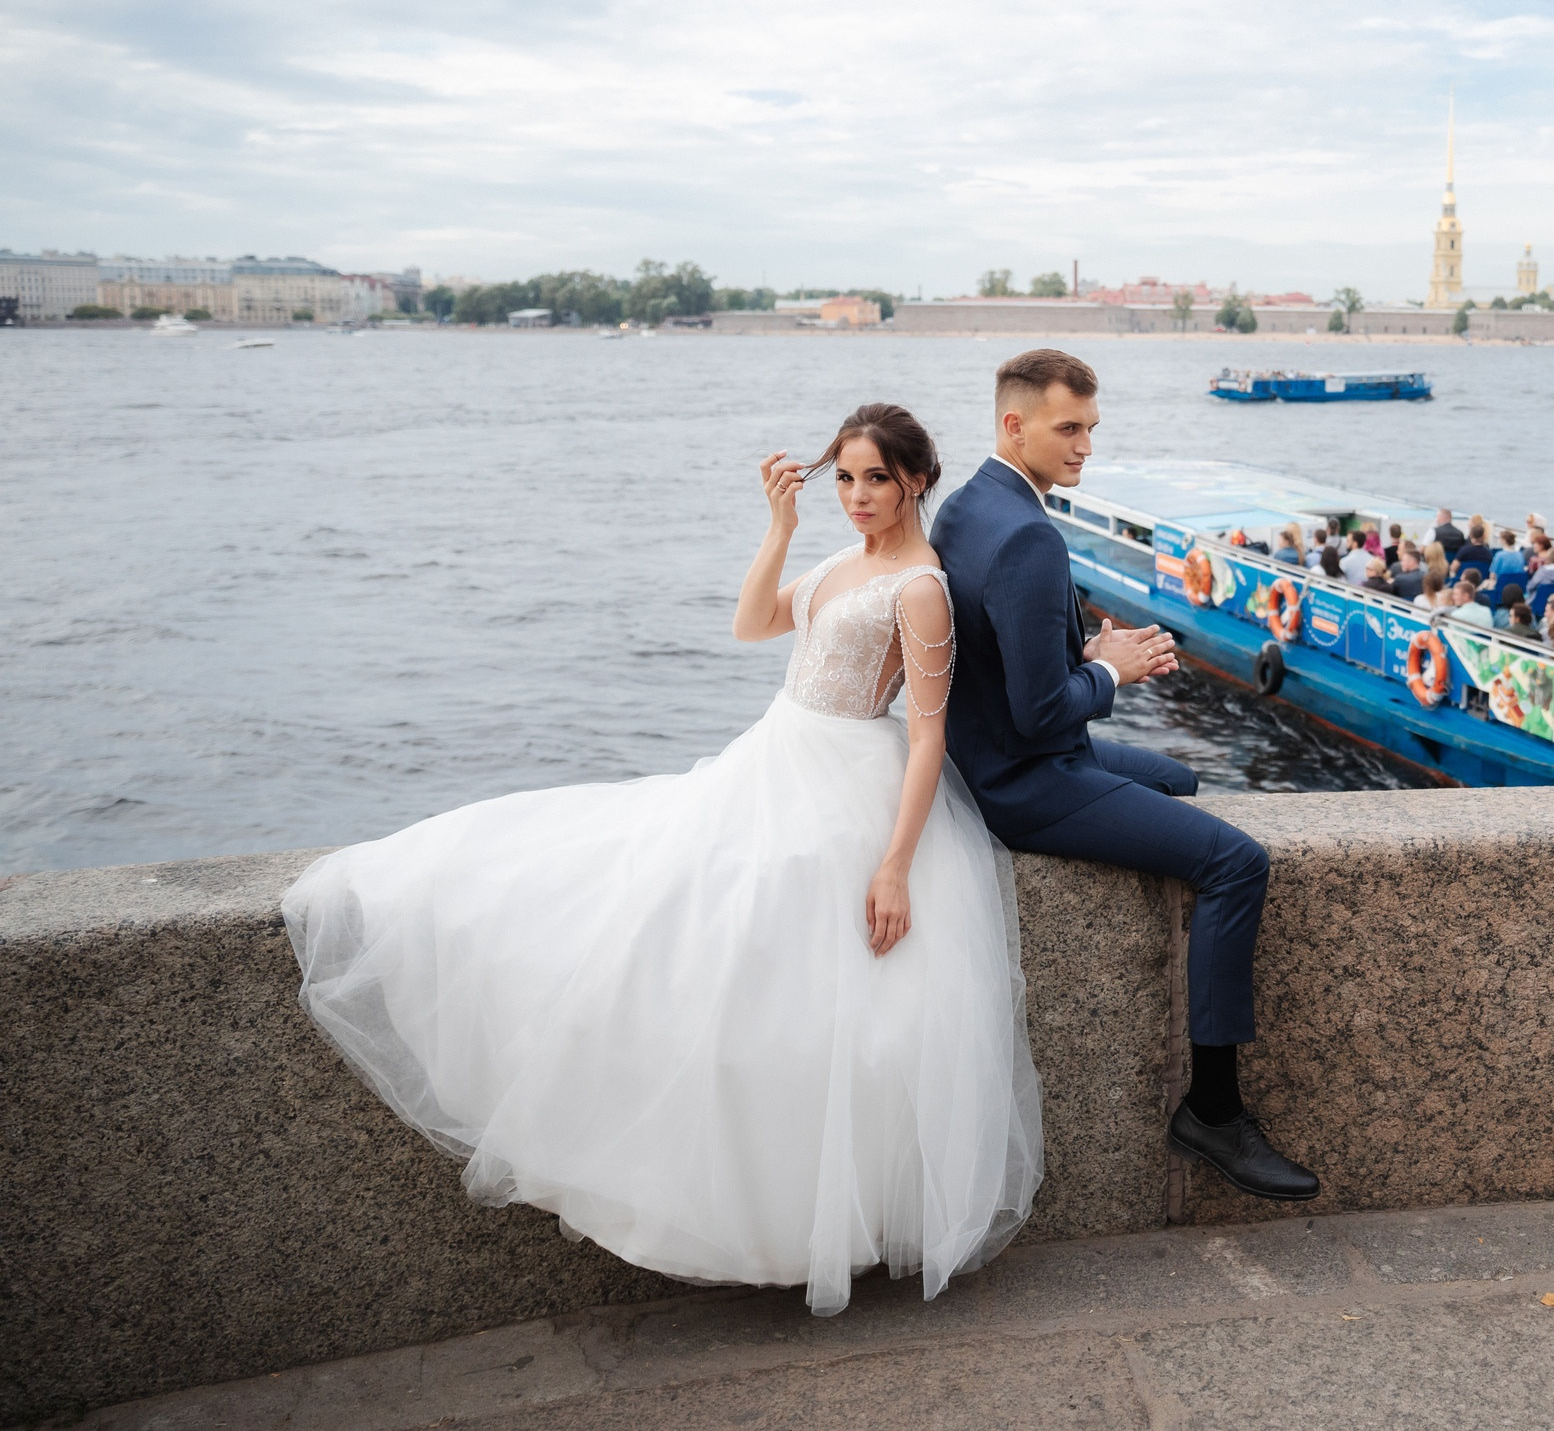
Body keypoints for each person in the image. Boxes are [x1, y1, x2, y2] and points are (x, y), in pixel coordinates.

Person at [281, 403, 1043, 1315]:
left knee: (787, 988)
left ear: (916, 479)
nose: (857, 494)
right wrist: (780, 526)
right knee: (635, 899)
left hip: (845, 784)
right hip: (773, 759)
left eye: (876, 477)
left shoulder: (919, 587)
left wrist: (893, 865)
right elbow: (753, 623)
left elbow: (926, 736)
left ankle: (805, 1217)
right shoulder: (845, 559)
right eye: (844, 477)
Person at [933, 350, 1319, 1205]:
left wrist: (1087, 652)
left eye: (1091, 428)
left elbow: (1000, 658)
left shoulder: (966, 505)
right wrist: (1113, 670)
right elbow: (1043, 712)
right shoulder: (1030, 534)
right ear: (1014, 424)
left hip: (988, 755)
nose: (1085, 447)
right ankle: (1212, 1109)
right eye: (1068, 428)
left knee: (1178, 779)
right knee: (1237, 862)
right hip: (1025, 779)